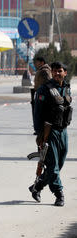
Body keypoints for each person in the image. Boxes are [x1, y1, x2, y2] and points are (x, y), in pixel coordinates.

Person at [29, 61, 72, 207]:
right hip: (50, 131)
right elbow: (37, 113)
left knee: (59, 163)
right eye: (54, 71)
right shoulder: (44, 90)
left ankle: (38, 186)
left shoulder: (66, 88)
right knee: (52, 165)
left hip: (63, 130)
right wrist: (39, 134)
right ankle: (59, 194)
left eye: (60, 71)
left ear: (65, 72)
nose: (57, 73)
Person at [31, 57, 52, 131]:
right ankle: (40, 128)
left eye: (37, 62)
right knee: (39, 111)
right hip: (40, 93)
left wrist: (42, 93)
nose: (36, 64)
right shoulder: (42, 70)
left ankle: (40, 129)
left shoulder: (44, 71)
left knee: (40, 111)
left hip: (42, 95)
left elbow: (48, 83)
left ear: (42, 62)